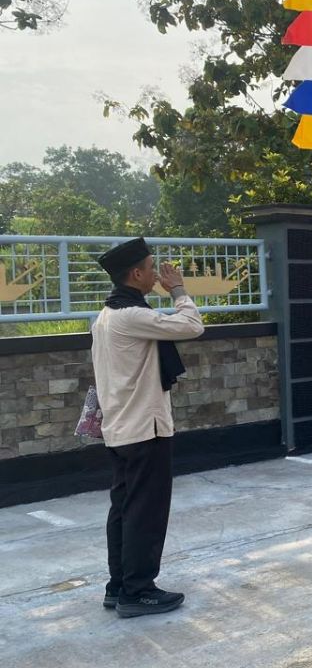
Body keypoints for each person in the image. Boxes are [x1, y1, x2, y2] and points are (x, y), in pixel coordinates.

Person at [91, 237, 205, 618]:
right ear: (136, 274)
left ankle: (118, 585)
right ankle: (138, 591)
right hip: (144, 428)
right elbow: (191, 325)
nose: (158, 274)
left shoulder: (105, 316)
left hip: (120, 427)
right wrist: (178, 290)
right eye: (152, 267)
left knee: (123, 509)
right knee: (146, 512)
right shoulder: (132, 317)